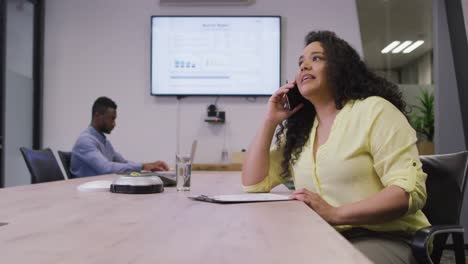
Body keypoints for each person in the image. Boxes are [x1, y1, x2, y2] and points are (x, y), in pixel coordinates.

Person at [241, 31, 430, 264]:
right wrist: (270, 121)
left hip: (386, 237)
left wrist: (335, 213)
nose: (304, 66)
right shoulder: (300, 131)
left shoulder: (375, 111)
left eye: (316, 59)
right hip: (323, 237)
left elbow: (407, 193)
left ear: (341, 67)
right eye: (301, 63)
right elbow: (253, 183)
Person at [71, 96, 169, 177]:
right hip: (86, 196)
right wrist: (143, 167)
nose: (114, 124)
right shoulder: (85, 141)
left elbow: (124, 163)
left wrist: (150, 165)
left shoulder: (105, 142)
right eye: (112, 119)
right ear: (97, 116)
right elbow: (106, 168)